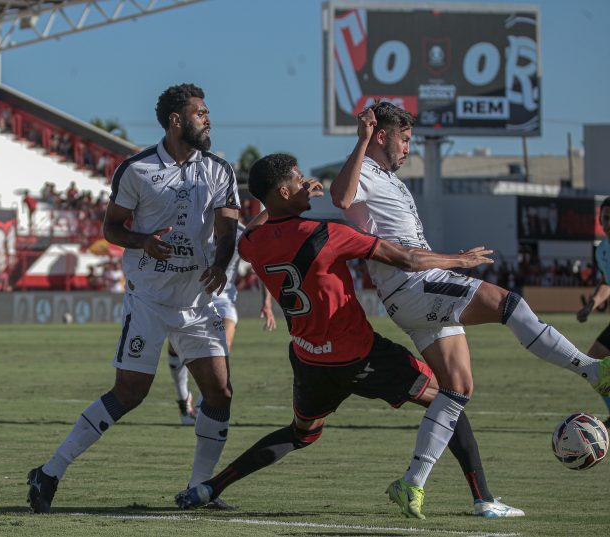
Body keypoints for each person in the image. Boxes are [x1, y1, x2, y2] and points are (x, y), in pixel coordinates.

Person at [176, 153, 518, 519]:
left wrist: (277, 203)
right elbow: (407, 259)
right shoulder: (327, 234)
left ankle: (210, 487)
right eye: (298, 179)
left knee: (300, 434)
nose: (307, 183)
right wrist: (458, 260)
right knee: (450, 400)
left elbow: (261, 222)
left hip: (309, 359)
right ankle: (483, 499)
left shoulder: (253, 244)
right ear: (282, 190)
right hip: (360, 356)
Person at [328, 102, 610, 517]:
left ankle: (412, 484)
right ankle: (592, 371)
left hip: (408, 296)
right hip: (415, 284)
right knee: (507, 303)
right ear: (382, 136)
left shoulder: (391, 178)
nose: (409, 148)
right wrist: (362, 140)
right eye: (404, 139)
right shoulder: (365, 170)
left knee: (457, 390)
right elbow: (341, 197)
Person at [26, 83, 240, 514]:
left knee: (219, 393)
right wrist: (144, 242)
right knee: (129, 393)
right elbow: (112, 229)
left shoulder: (219, 169)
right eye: (201, 113)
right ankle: (49, 472)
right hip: (148, 300)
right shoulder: (137, 169)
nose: (209, 118)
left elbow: (228, 227)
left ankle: (198, 489)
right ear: (177, 120)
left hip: (197, 303)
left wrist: (221, 263)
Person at [168, 220, 276, 425]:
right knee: (175, 350)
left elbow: (260, 264)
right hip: (189, 298)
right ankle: (183, 401)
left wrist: (267, 303)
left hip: (222, 299)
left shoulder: (241, 233)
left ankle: (202, 404)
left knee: (220, 346)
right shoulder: (195, 224)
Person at [576, 196, 610, 427]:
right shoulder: (603, 250)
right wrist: (591, 304)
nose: (608, 222)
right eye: (605, 218)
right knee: (593, 362)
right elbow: (607, 282)